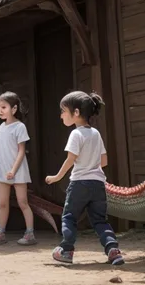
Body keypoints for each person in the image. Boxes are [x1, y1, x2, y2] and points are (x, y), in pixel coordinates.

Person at [45, 91, 124, 266]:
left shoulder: (76, 134)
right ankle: (113, 250)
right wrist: (91, 165)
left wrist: (57, 176)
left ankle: (66, 251)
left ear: (76, 113)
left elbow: (71, 159)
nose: (61, 115)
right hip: (98, 184)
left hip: (79, 184)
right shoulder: (95, 133)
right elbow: (104, 161)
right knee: (100, 221)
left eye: (63, 111)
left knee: (69, 218)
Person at [0, 91, 36, 246]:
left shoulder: (20, 127)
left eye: (3, 107)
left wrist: (13, 170)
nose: (0, 110)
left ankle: (30, 234)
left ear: (13, 109)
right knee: (2, 203)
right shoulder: (1, 127)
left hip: (18, 171)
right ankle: (1, 234)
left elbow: (21, 151)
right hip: (3, 171)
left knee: (22, 202)